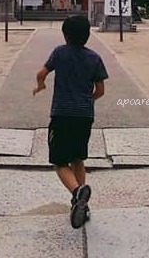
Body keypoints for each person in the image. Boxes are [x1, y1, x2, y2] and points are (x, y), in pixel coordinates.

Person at [32, 15, 108, 229]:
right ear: (87, 35)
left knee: (59, 162)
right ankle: (82, 204)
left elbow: (41, 73)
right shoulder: (94, 58)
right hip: (84, 116)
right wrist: (87, 101)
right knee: (77, 158)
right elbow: (100, 91)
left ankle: (77, 193)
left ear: (65, 35)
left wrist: (40, 85)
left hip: (62, 114)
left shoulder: (59, 53)